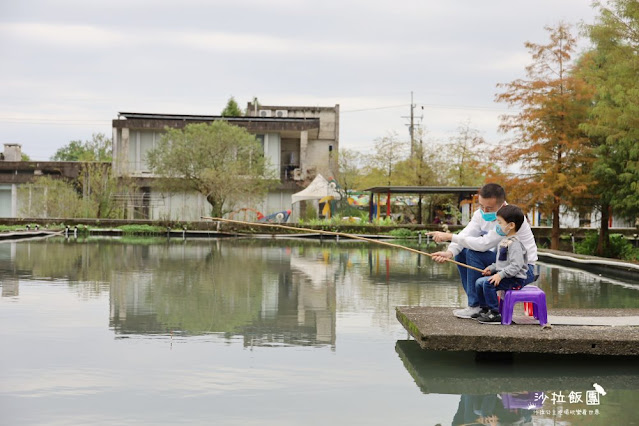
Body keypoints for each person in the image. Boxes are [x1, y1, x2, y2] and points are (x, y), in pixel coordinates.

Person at [428, 183, 538, 319]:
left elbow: (484, 244)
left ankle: (476, 306)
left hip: (523, 269)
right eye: (481, 206)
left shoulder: (509, 219)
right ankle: (478, 304)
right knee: (462, 252)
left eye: (489, 208)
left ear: (502, 205)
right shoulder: (480, 214)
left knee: (473, 252)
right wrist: (449, 253)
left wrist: (450, 236)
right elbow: (466, 234)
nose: (484, 211)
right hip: (503, 262)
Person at [474, 204, 529, 324]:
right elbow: (501, 262)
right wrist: (492, 268)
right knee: (479, 282)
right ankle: (485, 309)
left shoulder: (514, 244)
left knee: (488, 284)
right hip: (506, 275)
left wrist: (500, 275)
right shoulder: (504, 241)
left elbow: (516, 265)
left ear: (511, 225)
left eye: (500, 222)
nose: (497, 225)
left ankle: (495, 313)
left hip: (514, 279)